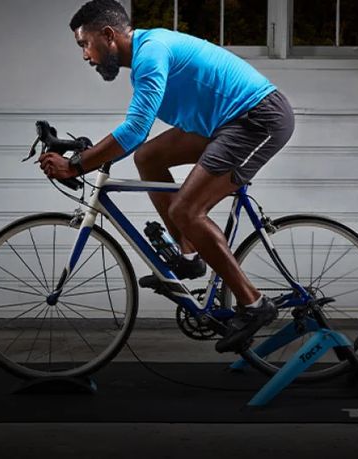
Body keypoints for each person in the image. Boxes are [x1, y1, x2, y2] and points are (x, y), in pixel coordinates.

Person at [39, 0, 295, 353]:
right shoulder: (145, 57)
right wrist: (84, 152)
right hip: (226, 123)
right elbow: (137, 140)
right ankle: (189, 256)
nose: (84, 55)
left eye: (84, 44)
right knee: (150, 157)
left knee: (186, 211)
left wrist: (78, 164)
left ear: (108, 35)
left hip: (258, 120)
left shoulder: (151, 54)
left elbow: (134, 130)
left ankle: (254, 304)